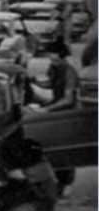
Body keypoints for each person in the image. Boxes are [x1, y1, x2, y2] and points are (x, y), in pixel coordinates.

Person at [29, 39, 79, 197]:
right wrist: (34, 82)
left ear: (62, 57)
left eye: (55, 58)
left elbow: (68, 99)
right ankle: (57, 181)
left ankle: (67, 183)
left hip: (67, 114)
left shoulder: (70, 72)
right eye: (50, 58)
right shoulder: (53, 68)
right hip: (56, 111)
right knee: (54, 147)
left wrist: (47, 109)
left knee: (65, 149)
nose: (52, 61)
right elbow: (49, 84)